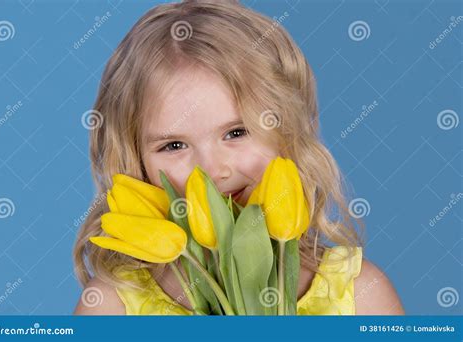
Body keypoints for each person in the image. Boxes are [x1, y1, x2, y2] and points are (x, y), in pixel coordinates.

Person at [73, 0, 404, 315]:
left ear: (286, 130)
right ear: (136, 160)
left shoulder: (361, 294)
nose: (213, 171)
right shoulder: (112, 305)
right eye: (173, 145)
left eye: (236, 132)